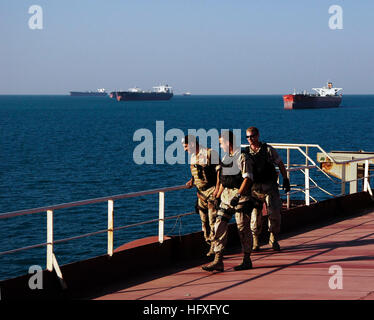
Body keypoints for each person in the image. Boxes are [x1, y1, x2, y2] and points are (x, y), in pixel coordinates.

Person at [202, 131, 255, 272]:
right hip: (226, 196)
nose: (221, 146)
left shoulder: (243, 157)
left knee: (242, 227)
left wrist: (238, 195)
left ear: (229, 143)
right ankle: (218, 260)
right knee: (218, 224)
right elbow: (222, 177)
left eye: (222, 143)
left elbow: (248, 178)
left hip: (240, 196)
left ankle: (247, 259)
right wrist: (217, 194)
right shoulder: (226, 157)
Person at [245, 126, 290, 252]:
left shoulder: (268, 149)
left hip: (270, 187)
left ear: (258, 135)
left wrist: (286, 179)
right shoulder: (246, 153)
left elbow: (280, 163)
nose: (250, 139)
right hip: (254, 190)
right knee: (254, 218)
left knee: (274, 214)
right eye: (248, 137)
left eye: (252, 136)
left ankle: (273, 238)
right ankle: (255, 241)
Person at [183, 135, 220, 256]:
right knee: (204, 222)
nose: (185, 149)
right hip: (201, 194)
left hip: (211, 191)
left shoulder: (209, 153)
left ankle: (215, 248)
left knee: (212, 221)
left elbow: (220, 171)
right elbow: (198, 172)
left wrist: (217, 190)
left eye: (186, 146)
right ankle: (210, 243)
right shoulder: (193, 157)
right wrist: (192, 181)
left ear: (193, 144)